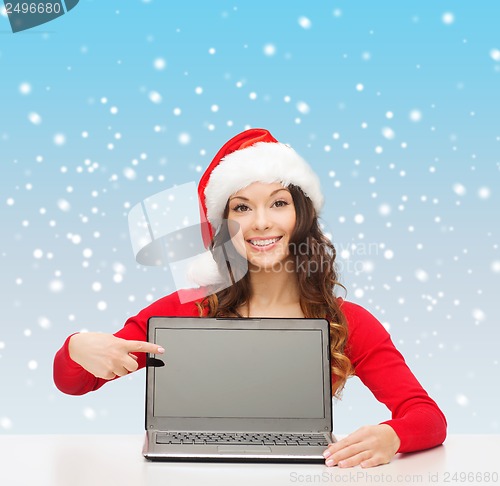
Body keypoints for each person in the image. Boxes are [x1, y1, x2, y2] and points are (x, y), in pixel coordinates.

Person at [53, 128, 447, 468]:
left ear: (301, 217)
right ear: (223, 226)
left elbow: (427, 416)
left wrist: (392, 436)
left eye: (278, 203)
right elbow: (75, 382)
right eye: (242, 207)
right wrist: (75, 348)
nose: (261, 222)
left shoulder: (348, 322)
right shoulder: (187, 309)